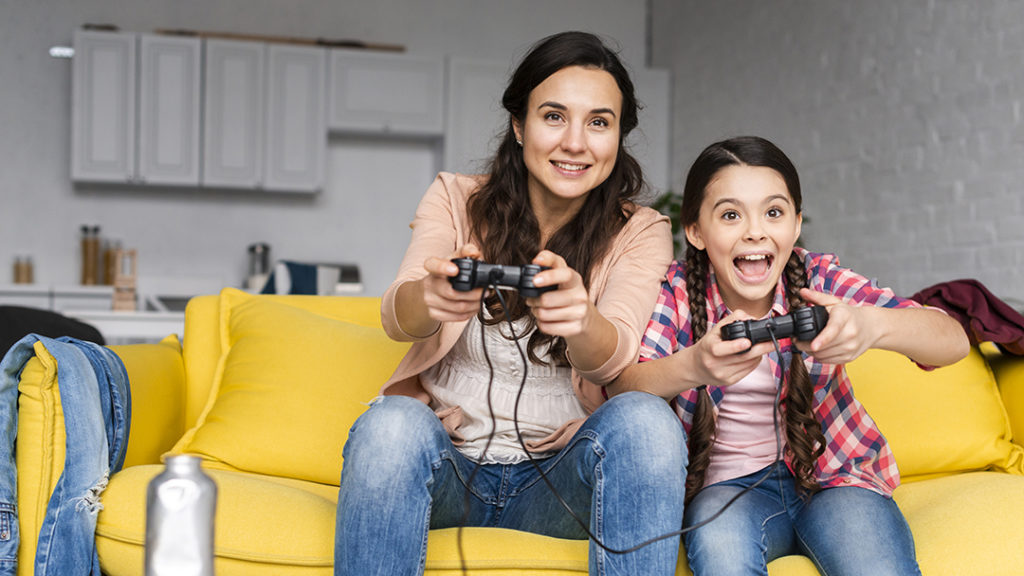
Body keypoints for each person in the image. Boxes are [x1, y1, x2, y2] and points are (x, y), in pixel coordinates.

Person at [334, 31, 685, 576]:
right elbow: (397, 318)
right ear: (520, 126)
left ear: (618, 138)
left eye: (599, 122)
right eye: (553, 116)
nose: (575, 142)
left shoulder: (642, 231)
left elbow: (614, 358)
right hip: (452, 470)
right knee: (392, 425)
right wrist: (433, 298)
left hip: (562, 483)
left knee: (644, 419)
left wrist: (581, 320)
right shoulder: (454, 198)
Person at [611, 135, 970, 575]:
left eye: (774, 212)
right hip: (728, 491)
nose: (755, 231)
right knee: (721, 548)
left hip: (835, 480)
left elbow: (953, 340)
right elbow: (624, 388)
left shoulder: (817, 278)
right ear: (695, 231)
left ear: (796, 225)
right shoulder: (678, 294)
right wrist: (695, 366)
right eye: (729, 215)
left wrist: (873, 325)